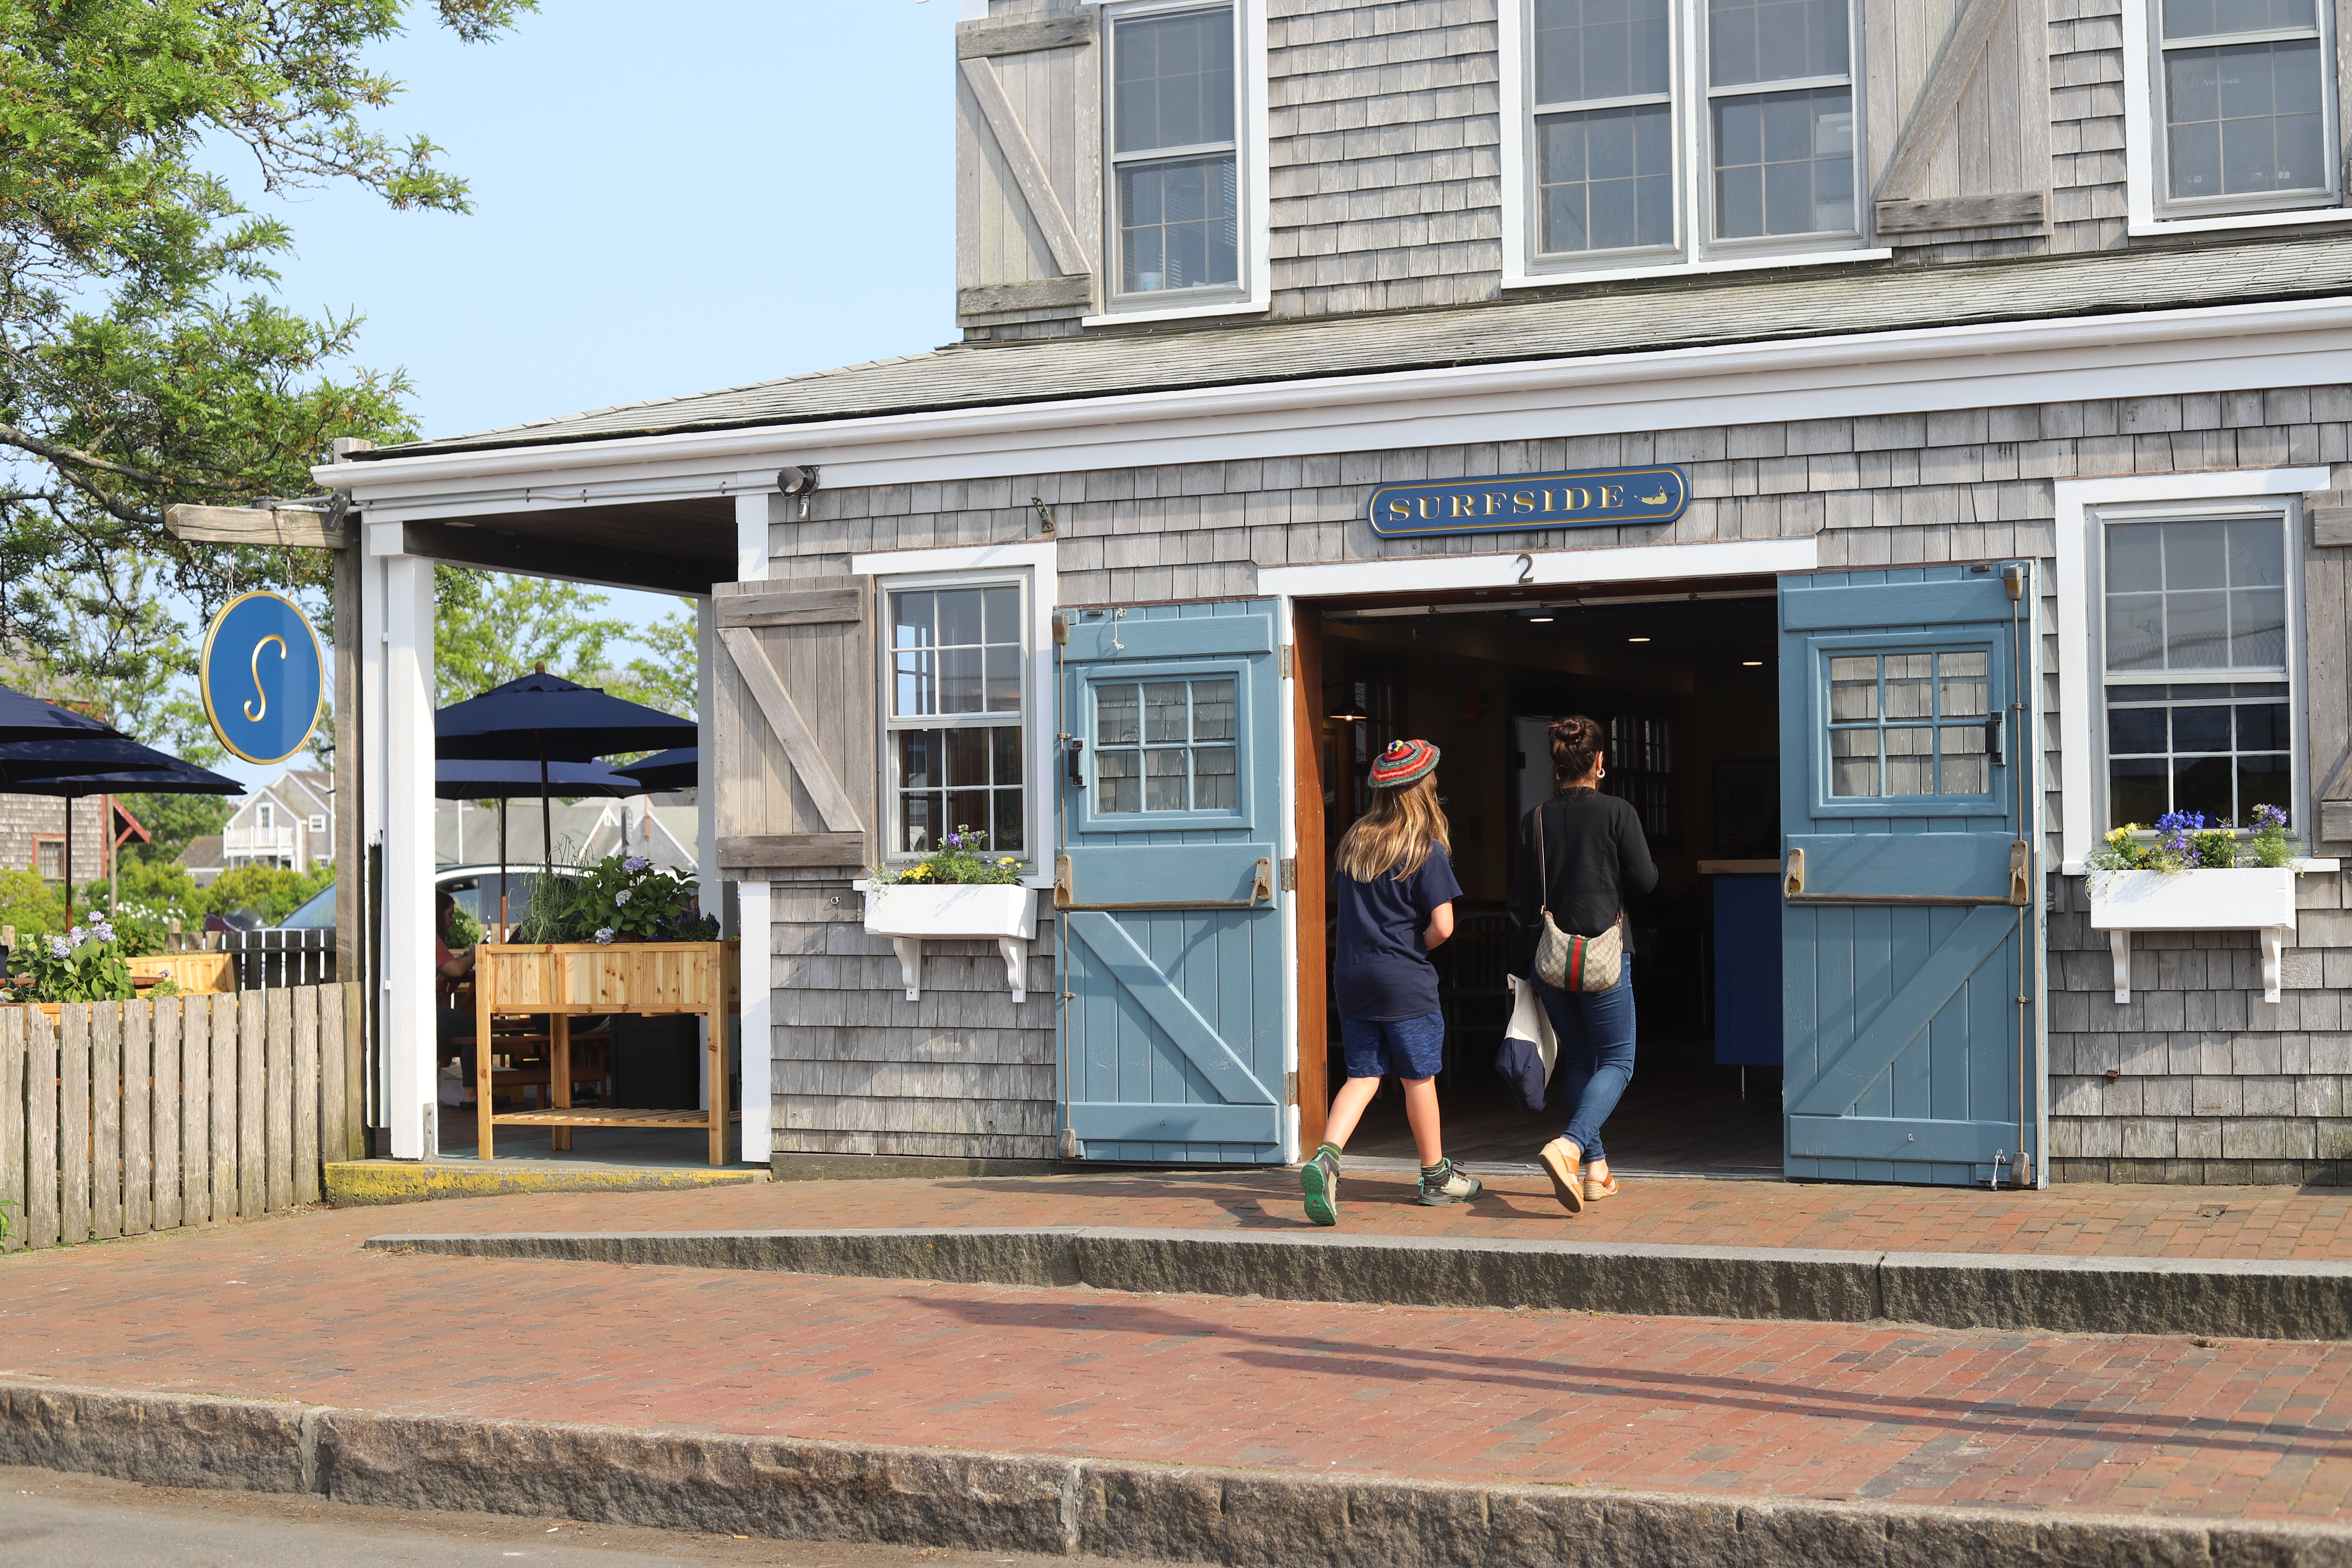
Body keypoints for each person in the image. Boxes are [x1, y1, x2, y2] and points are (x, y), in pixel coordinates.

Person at [1301, 737, 1482, 1226]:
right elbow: (1443, 926)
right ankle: (1436, 1176)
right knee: (1418, 1076)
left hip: (1353, 977)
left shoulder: (1356, 844)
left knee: (1363, 1075)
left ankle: (1327, 1157)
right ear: (1422, 790)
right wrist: (1414, 947)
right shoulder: (1426, 849)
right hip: (1404, 979)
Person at [1508, 715, 1657, 1214]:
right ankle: (1570, 1145)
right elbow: (1649, 880)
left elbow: (1520, 902)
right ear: (1599, 761)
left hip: (1550, 960)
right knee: (1618, 1062)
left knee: (1580, 1058)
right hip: (1604, 958)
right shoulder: (1618, 813)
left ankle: (1595, 1172)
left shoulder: (1535, 820)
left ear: (1557, 765)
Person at [434, 892, 479, 1108]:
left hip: (431, 1014)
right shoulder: (430, 938)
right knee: (476, 1026)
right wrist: (477, 954)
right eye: (450, 914)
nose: (452, 920)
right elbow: (457, 970)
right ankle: (471, 1095)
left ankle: (442, 1088)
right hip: (429, 1016)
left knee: (464, 1025)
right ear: (438, 914)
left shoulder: (432, 939)